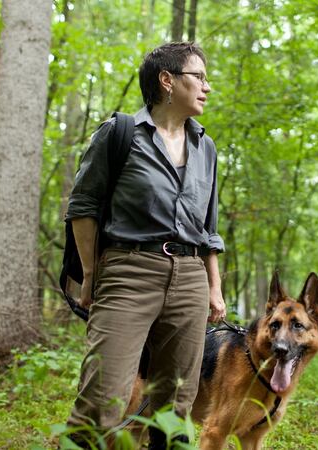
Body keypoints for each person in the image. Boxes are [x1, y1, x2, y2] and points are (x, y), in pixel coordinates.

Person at [66, 42, 226, 448]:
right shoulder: (120, 133)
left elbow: (208, 228)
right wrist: (91, 273)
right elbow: (82, 206)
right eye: (199, 77)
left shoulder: (205, 147)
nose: (207, 86)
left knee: (176, 404)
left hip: (189, 278)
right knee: (102, 397)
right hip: (128, 272)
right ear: (167, 80)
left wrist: (214, 288)